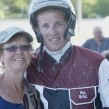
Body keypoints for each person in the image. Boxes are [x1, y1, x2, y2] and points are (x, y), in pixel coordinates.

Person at [27, 0, 109, 109]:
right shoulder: (29, 66)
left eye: (58, 24)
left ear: (70, 24)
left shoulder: (98, 63)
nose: (53, 32)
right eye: (45, 26)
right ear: (37, 30)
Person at [0, 26, 41, 109]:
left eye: (24, 47)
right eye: (11, 48)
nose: (19, 52)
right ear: (1, 56)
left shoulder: (34, 93)